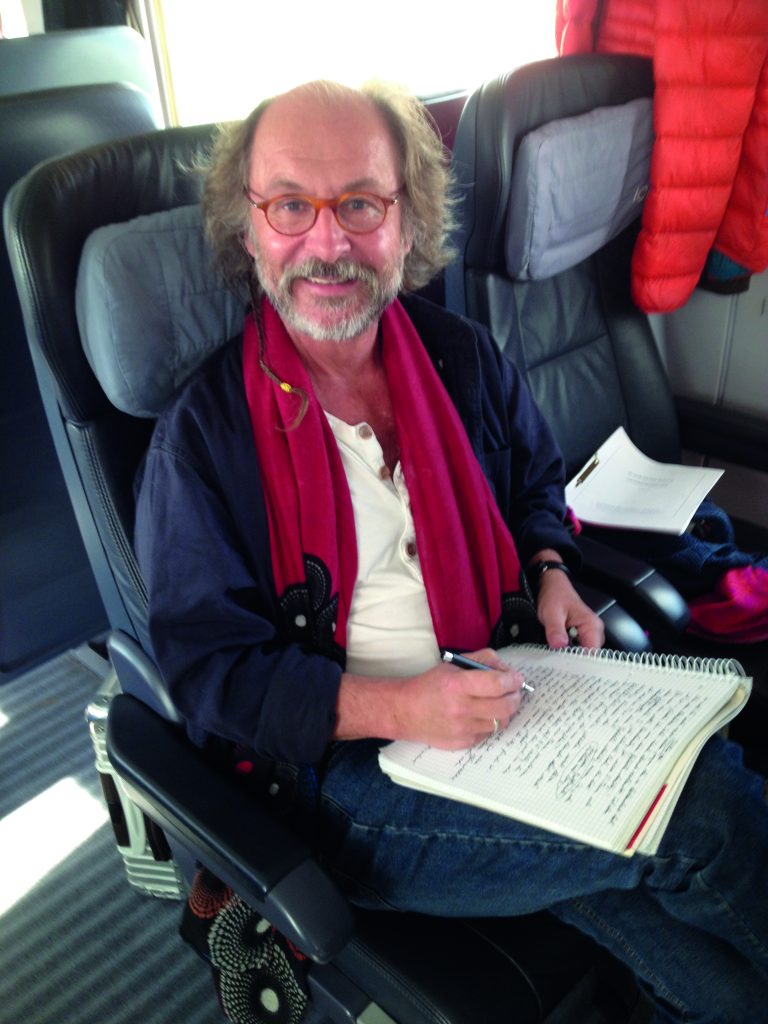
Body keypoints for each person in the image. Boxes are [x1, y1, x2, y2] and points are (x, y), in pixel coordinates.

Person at [134, 80, 768, 1022]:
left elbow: (537, 481)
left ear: (407, 220)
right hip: (346, 782)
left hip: (511, 695)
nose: (328, 241)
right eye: (291, 206)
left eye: (360, 203)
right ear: (249, 228)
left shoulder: (458, 356)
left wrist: (550, 571)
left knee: (701, 948)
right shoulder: (202, 440)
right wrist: (400, 705)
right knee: (704, 808)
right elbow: (209, 675)